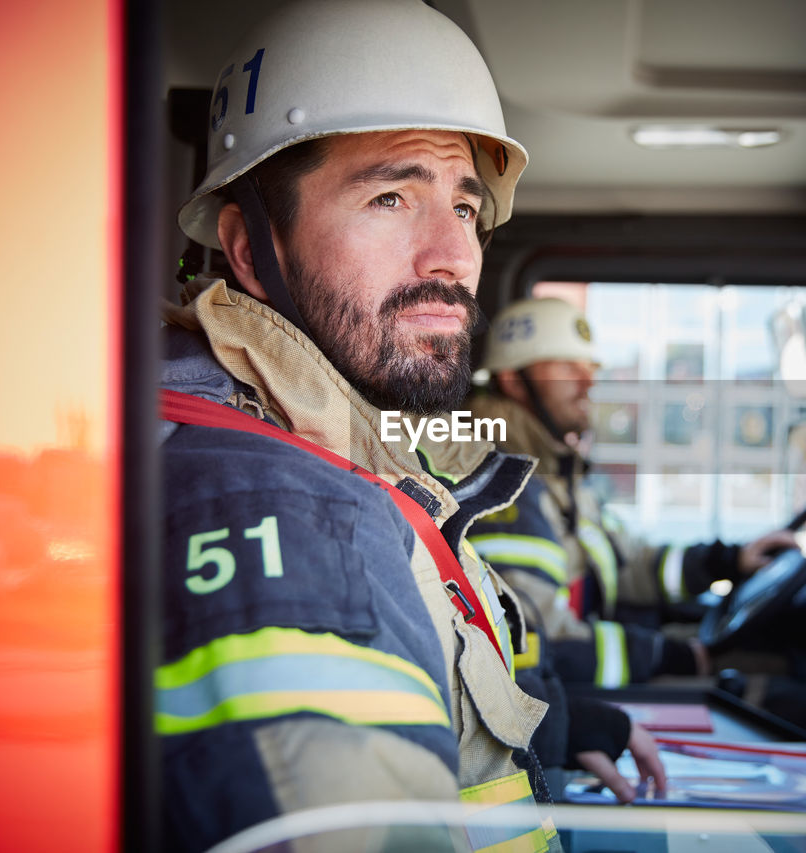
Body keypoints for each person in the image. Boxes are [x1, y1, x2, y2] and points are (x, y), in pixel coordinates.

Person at [155, 3, 659, 849]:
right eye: (391, 196)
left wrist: (554, 723)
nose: (454, 256)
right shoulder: (293, 508)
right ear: (248, 248)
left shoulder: (347, 451)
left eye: (465, 207)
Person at [467, 297, 800, 688]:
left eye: (590, 367)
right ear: (513, 381)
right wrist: (666, 656)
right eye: (567, 367)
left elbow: (627, 563)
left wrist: (725, 561)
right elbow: (536, 637)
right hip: (565, 693)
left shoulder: (554, 472)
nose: (588, 381)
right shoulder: (503, 486)